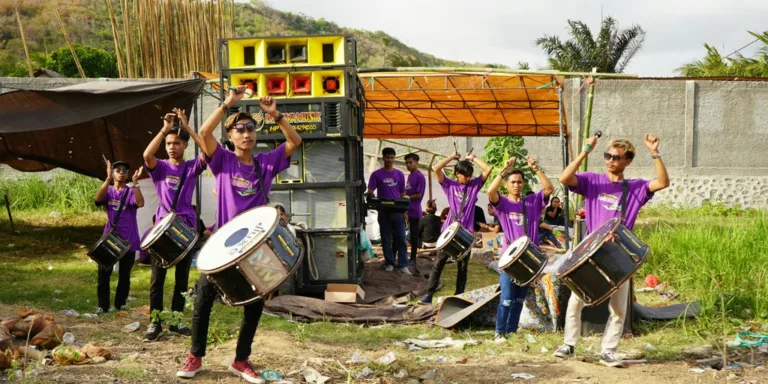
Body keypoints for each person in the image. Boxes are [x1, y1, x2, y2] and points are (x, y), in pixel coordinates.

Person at [176, 86, 301, 383]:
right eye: (239, 129)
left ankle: (241, 360)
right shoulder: (222, 161)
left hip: (255, 247)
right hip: (223, 244)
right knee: (204, 298)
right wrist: (226, 105)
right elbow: (205, 134)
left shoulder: (265, 163)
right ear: (230, 136)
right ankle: (195, 356)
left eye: (250, 128)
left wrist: (276, 115)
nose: (246, 134)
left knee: (254, 304)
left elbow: (294, 141)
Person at [553, 134, 669, 368]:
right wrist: (585, 151)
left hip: (620, 256)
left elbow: (663, 182)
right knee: (577, 300)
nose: (610, 160)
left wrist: (655, 152)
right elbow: (564, 178)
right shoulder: (592, 181)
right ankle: (569, 344)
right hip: (592, 253)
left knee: (618, 308)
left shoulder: (635, 188)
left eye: (616, 157)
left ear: (627, 161)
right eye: (607, 156)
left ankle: (608, 351)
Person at [142, 108, 207, 342]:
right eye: (169, 143)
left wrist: (187, 127)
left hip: (187, 227)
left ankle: (177, 321)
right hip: (163, 228)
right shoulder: (159, 167)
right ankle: (155, 322)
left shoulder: (191, 167)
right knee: (157, 279)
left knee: (181, 279)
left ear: (185, 146)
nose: (172, 146)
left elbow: (208, 151)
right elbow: (146, 155)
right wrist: (164, 130)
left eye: (177, 143)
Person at [487, 156, 554, 342]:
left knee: (518, 299)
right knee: (506, 298)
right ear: (507, 185)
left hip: (529, 258)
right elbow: (490, 191)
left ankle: (511, 331)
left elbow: (549, 189)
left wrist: (535, 168)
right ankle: (499, 332)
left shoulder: (532, 202)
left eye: (520, 182)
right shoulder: (502, 204)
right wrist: (504, 170)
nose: (517, 185)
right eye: (513, 182)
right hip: (509, 258)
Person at [420, 151, 492, 304]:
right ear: (457, 174)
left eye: (469, 176)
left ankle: (459, 295)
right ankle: (428, 295)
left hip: (466, 233)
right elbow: (436, 169)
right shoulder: (449, 185)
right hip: (449, 231)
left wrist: (474, 158)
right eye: (464, 175)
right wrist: (452, 157)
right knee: (438, 263)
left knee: (463, 266)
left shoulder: (474, 186)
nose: (467, 179)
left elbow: (488, 170)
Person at [93, 159, 144, 314]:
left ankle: (120, 303)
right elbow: (97, 200)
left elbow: (140, 203)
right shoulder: (109, 191)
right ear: (113, 173)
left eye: (124, 171)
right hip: (110, 239)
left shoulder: (130, 191)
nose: (121, 173)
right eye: (118, 170)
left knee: (124, 274)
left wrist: (135, 183)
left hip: (128, 239)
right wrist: (107, 179)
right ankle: (103, 305)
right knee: (104, 273)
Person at [364, 147, 411, 275]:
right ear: (383, 158)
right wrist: (368, 194)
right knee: (385, 239)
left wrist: (405, 212)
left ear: (394, 158)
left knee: (401, 238)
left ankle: (403, 265)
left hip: (398, 212)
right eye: (387, 157)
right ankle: (389, 263)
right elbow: (371, 191)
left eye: (392, 157)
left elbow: (403, 194)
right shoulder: (376, 174)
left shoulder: (399, 174)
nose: (389, 160)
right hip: (383, 212)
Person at [404, 153, 426, 266]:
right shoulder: (410, 176)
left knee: (413, 235)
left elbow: (419, 195)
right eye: (406, 163)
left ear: (416, 162)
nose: (408, 165)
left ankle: (413, 258)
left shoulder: (420, 176)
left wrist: (406, 197)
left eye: (410, 162)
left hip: (415, 210)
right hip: (406, 209)